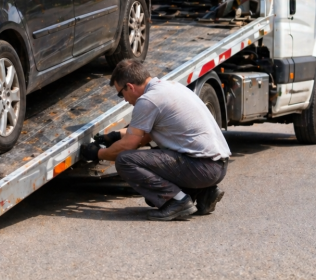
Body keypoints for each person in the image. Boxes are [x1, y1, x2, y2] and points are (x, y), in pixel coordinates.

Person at [81, 59, 230, 221]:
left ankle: (178, 201)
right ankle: (204, 193)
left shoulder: (148, 101)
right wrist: (115, 136)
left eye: (120, 93)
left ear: (130, 86)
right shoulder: (169, 87)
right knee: (153, 192)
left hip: (203, 168)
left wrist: (98, 153)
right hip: (217, 166)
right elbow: (146, 134)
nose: (124, 99)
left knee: (125, 160)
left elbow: (129, 145)